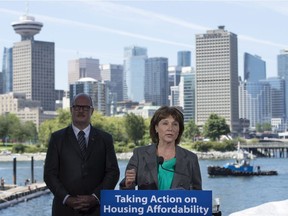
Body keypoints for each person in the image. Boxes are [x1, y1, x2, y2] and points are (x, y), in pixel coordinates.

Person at [44, 93, 120, 216]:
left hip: (97, 209)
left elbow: (113, 172)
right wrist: (67, 198)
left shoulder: (105, 139)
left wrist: (95, 197)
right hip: (64, 210)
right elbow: (49, 174)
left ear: (92, 111)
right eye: (77, 107)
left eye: (85, 108)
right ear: (71, 110)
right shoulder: (57, 138)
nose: (81, 111)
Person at [120, 105, 202, 190]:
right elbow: (126, 195)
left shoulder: (191, 159)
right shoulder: (140, 155)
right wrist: (128, 184)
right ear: (156, 128)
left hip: (179, 204)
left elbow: (198, 195)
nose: (170, 128)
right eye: (165, 123)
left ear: (179, 130)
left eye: (175, 124)